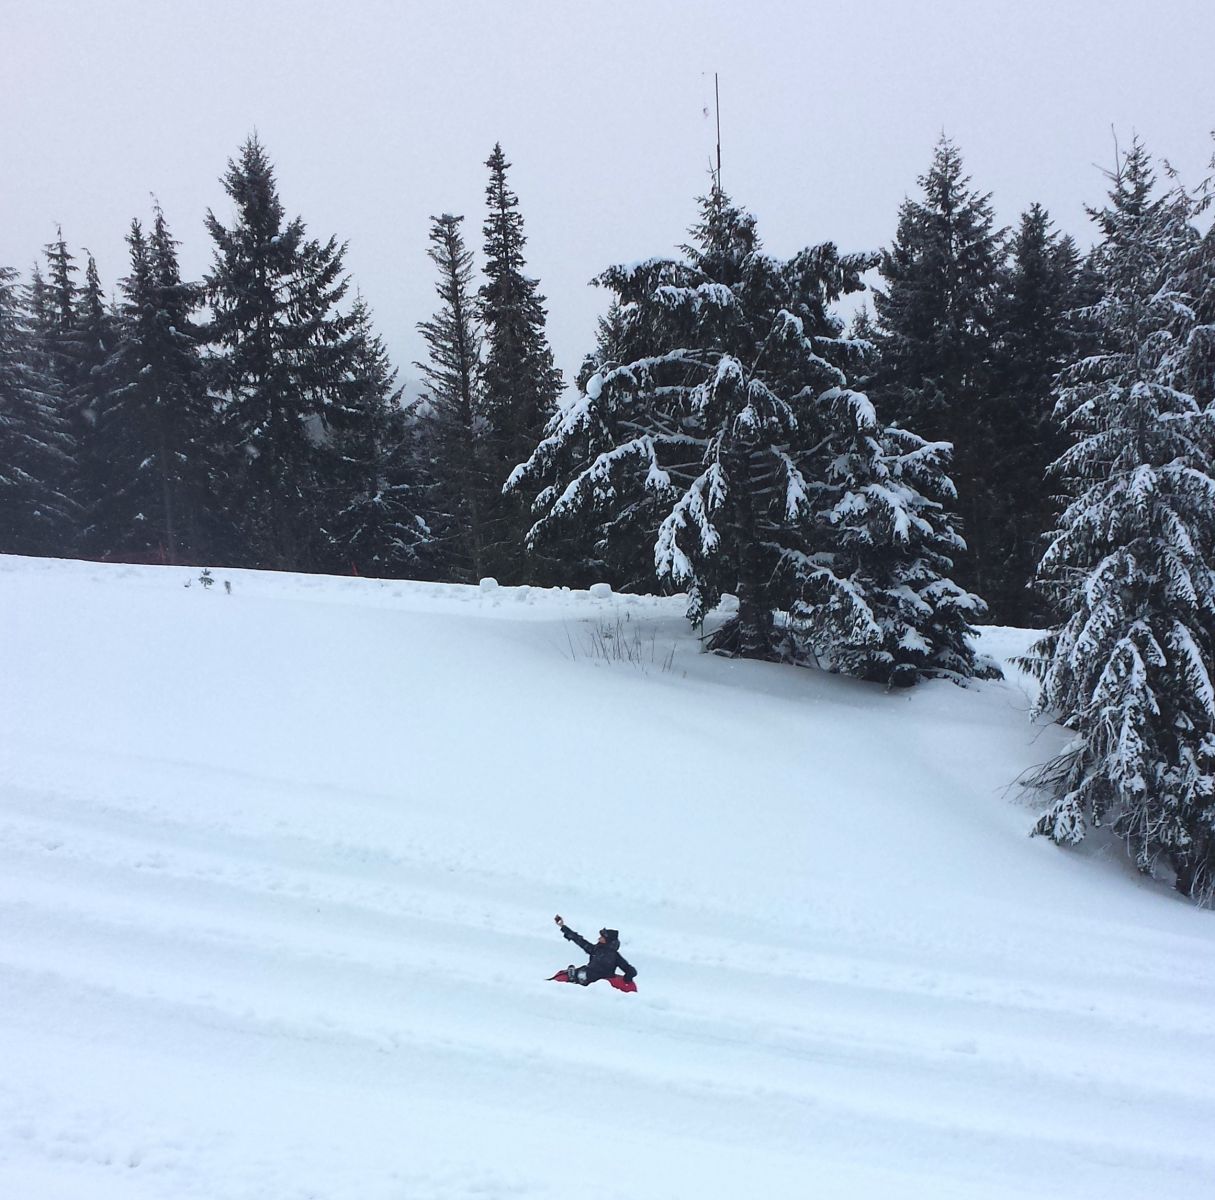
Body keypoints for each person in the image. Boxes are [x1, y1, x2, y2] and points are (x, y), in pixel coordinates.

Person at [554, 915, 637, 985]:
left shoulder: (614, 956)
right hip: (589, 975)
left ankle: (575, 977)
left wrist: (626, 980)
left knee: (586, 974)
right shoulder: (597, 949)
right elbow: (580, 941)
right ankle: (576, 976)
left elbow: (631, 971)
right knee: (580, 973)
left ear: (607, 941)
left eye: (602, 937)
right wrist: (563, 927)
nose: (599, 938)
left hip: (597, 980)